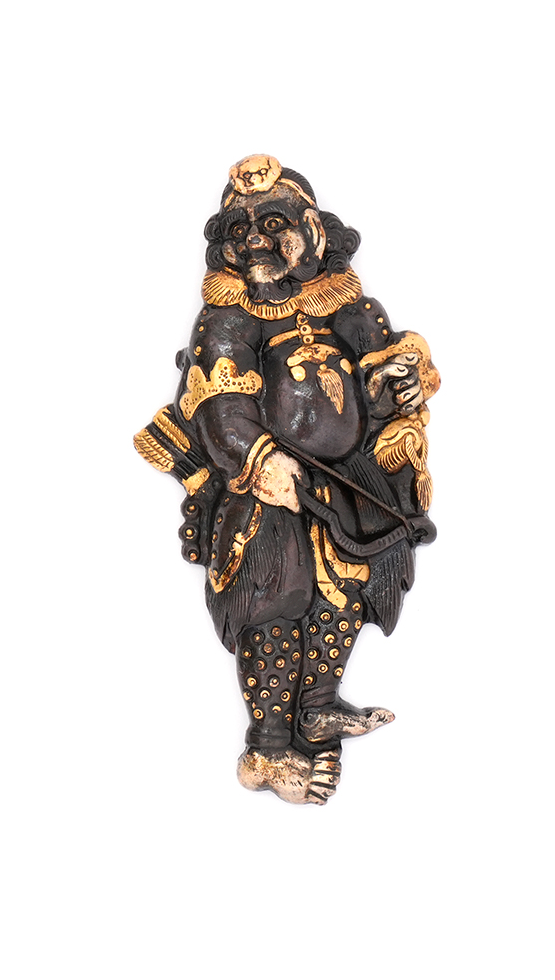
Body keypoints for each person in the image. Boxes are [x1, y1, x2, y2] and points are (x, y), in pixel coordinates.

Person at [135, 154, 438, 804]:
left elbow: (384, 363)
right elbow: (219, 402)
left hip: (347, 480)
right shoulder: (228, 320)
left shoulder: (348, 304)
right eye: (237, 230)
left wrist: (404, 381)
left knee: (347, 588)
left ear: (314, 230)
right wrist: (258, 457)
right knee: (274, 599)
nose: (254, 241)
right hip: (266, 485)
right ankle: (270, 748)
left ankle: (319, 705)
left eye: (273, 224)